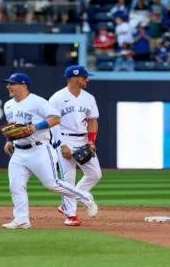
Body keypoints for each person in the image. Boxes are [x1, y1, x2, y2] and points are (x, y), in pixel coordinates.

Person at [1, 72, 98, 229]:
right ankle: (21, 219)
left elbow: (55, 118)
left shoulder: (37, 101)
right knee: (16, 185)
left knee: (52, 184)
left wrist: (35, 127)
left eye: (12, 84)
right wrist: (9, 140)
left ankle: (85, 197)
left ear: (23, 85)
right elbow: (13, 126)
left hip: (39, 149)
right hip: (19, 151)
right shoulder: (8, 105)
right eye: (8, 83)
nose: (8, 86)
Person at [48, 65, 102, 226]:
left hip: (83, 140)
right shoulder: (57, 98)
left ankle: (67, 203)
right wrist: (62, 144)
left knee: (95, 174)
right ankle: (70, 215)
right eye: (84, 77)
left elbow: (93, 120)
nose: (87, 79)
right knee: (68, 177)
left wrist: (91, 141)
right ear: (74, 78)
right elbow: (52, 124)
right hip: (64, 139)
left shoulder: (89, 98)